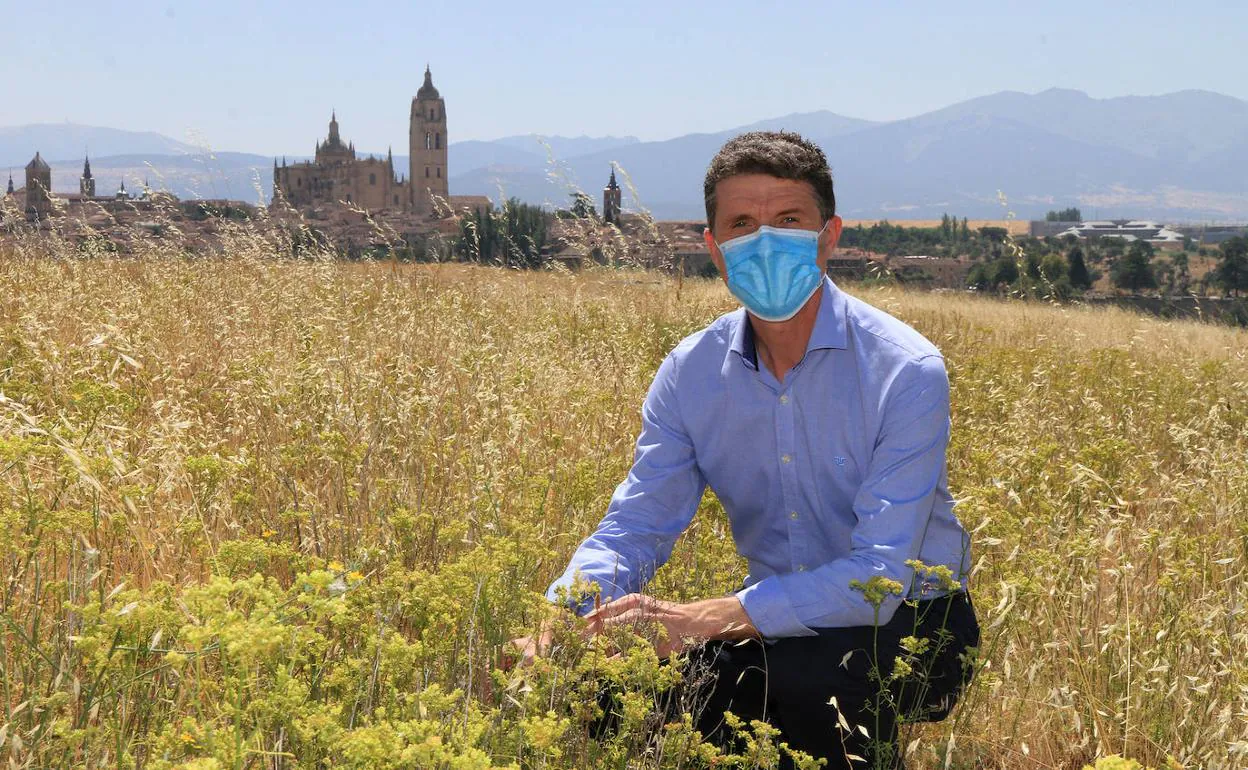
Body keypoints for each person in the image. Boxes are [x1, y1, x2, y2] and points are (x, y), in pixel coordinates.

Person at [511, 131, 979, 769]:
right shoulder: (692, 373)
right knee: (615, 688)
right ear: (715, 248)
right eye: (741, 224)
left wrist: (703, 619)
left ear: (829, 235)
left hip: (915, 619)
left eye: (788, 220)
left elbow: (880, 577)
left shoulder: (905, 370)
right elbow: (638, 522)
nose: (764, 241)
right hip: (772, 615)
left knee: (812, 684)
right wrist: (566, 622)